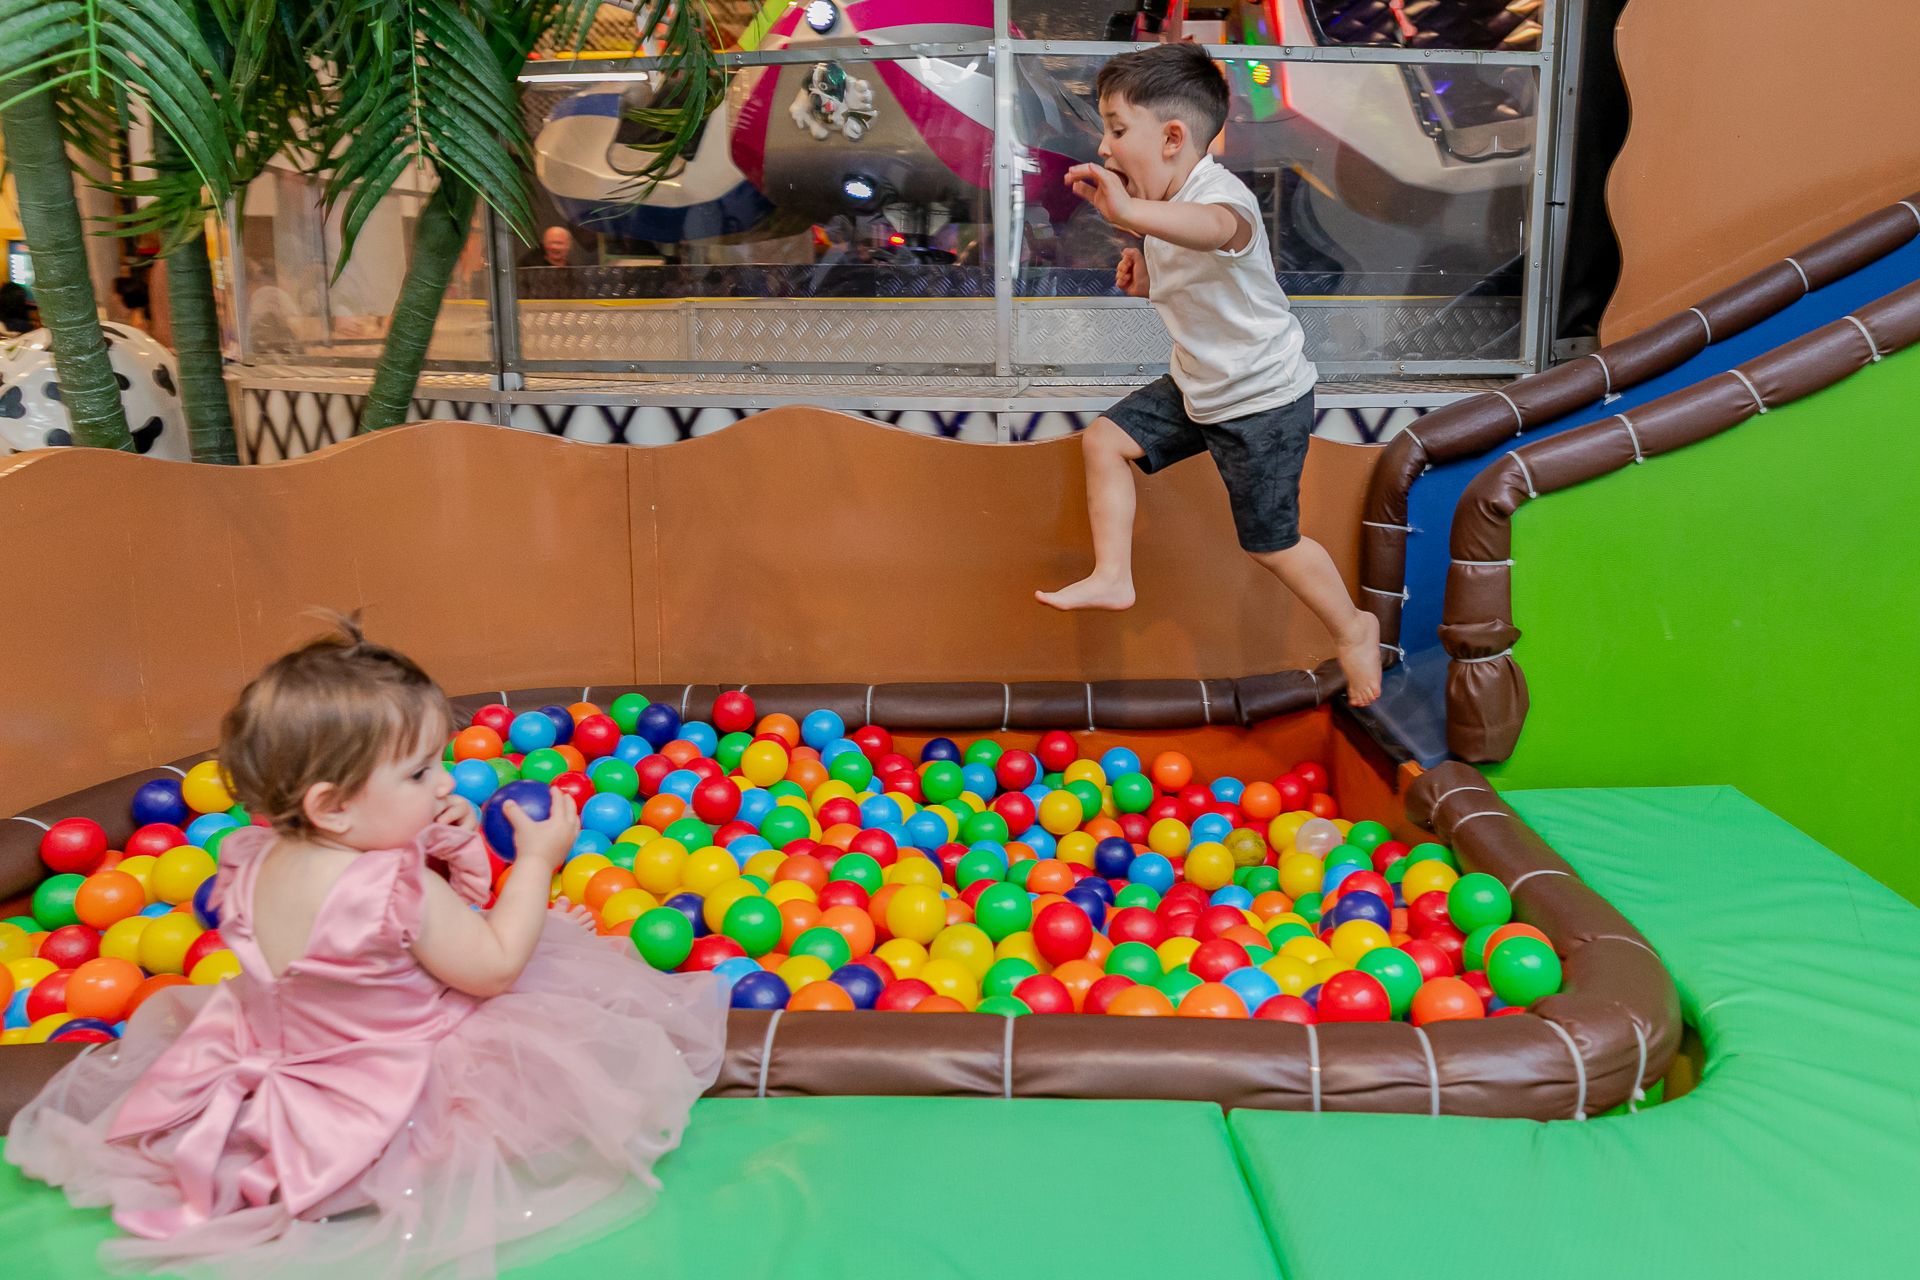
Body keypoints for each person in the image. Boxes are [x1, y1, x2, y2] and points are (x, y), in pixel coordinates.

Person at [5, 617, 728, 1278]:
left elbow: (355, 954)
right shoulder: (391, 885)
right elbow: (494, 968)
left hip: (276, 1058)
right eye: (418, 774)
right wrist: (538, 861)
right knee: (558, 978)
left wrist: (423, 827)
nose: (445, 782)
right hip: (388, 1084)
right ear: (333, 805)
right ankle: (384, 1170)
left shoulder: (251, 856)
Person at [1034, 43, 1382, 706]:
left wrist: (1133, 218)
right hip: (1201, 386)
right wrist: (1146, 277)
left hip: (1262, 398)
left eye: (1115, 129)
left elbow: (1216, 230)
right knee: (1105, 441)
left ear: (1172, 138)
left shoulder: (1220, 199)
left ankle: (1353, 626)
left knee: (1271, 544)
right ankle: (1113, 575)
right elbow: (1190, 267)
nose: (1105, 149)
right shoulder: (1163, 212)